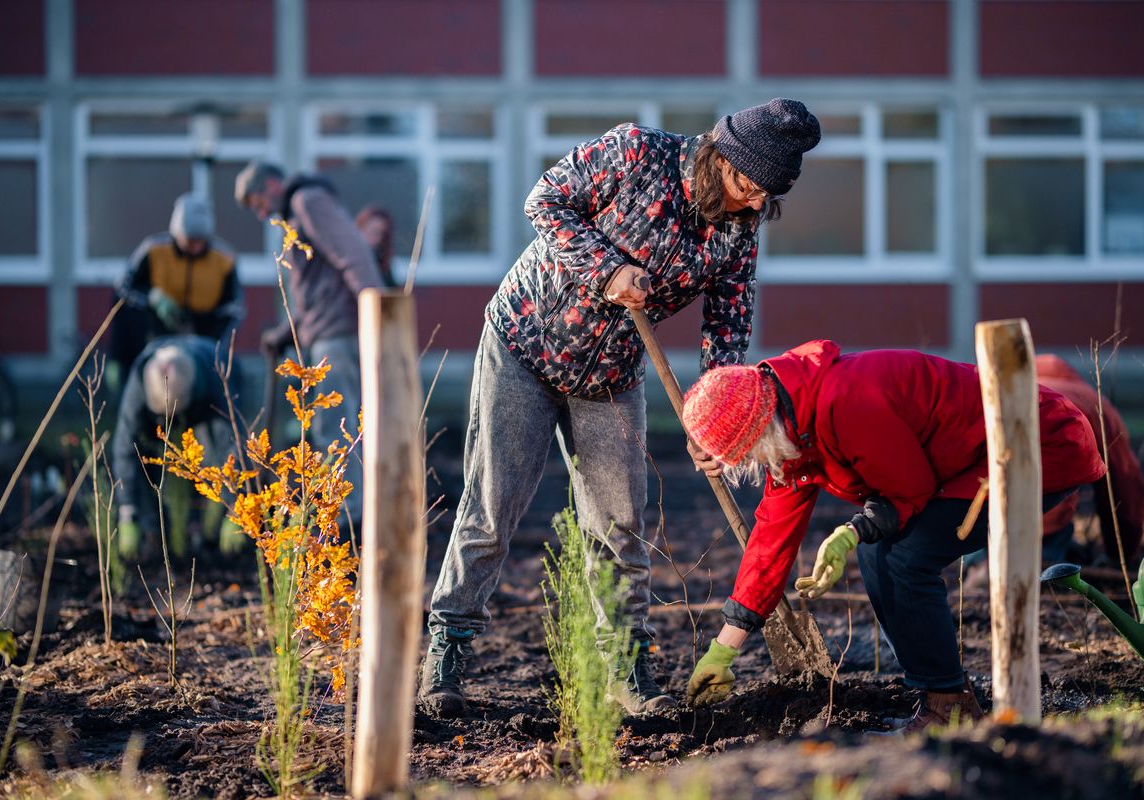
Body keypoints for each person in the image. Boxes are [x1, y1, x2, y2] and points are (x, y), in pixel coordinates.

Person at [420, 99, 822, 718]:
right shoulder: (635, 152)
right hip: (525, 344)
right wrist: (608, 269)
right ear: (721, 157)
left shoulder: (740, 232)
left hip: (610, 377)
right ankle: (445, 652)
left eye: (764, 198)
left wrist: (715, 417)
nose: (749, 203)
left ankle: (625, 670)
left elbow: (728, 327)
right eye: (745, 185)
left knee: (619, 528)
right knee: (492, 511)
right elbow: (543, 202)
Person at [680, 340, 1105, 732]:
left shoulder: (846, 402)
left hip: (1033, 442)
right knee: (883, 555)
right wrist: (725, 648)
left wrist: (852, 531)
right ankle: (942, 696)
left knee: (902, 558)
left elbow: (909, 490)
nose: (753, 463)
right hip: (968, 458)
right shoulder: (793, 425)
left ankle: (947, 704)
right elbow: (771, 541)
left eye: (747, 453)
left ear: (759, 429)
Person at [233, 161, 386, 540]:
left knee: (337, 428)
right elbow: (319, 290)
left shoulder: (308, 201)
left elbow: (352, 254)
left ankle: (349, 523)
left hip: (339, 334)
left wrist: (379, 310)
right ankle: (345, 516)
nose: (261, 213)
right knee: (332, 428)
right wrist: (287, 333)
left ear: (272, 184)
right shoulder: (299, 212)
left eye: (258, 201)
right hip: (325, 330)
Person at [114, 335, 244, 560]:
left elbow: (234, 449)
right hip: (159, 405)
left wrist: (237, 510)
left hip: (209, 387)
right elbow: (125, 449)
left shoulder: (216, 378)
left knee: (213, 458)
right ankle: (153, 530)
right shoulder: (138, 381)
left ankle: (207, 530)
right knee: (147, 462)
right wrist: (127, 511)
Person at [110, 193, 243, 387]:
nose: (194, 247)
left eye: (200, 241)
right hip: (156, 335)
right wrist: (152, 298)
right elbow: (123, 287)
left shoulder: (224, 259)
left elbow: (233, 309)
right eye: (189, 240)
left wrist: (214, 348)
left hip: (204, 338)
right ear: (176, 233)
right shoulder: (153, 250)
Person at [1035, 354, 1144, 566]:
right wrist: (1122, 551)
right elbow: (1124, 481)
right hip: (1043, 521)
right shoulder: (1092, 402)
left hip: (977, 515)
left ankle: (980, 566)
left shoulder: (1000, 392)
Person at [354, 205, 398, 288]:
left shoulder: (381, 263)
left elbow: (390, 291)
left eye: (380, 234)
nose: (374, 238)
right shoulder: (345, 261)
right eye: (372, 231)